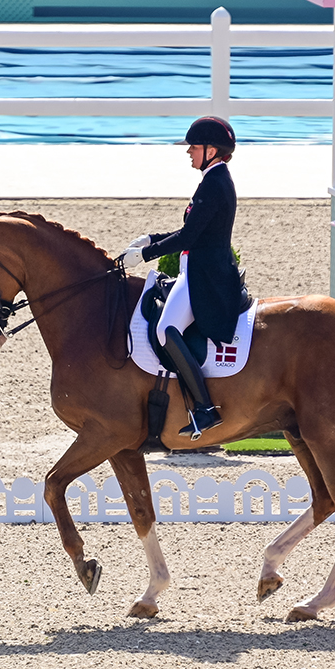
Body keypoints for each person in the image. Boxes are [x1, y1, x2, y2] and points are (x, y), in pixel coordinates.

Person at [121, 116, 240, 440]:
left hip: (205, 275)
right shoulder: (212, 179)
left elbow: (189, 237)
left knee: (166, 329)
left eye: (194, 147)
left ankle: (204, 407)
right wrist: (151, 238)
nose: (189, 152)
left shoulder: (215, 184)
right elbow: (193, 231)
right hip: (195, 269)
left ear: (211, 150)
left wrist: (146, 255)